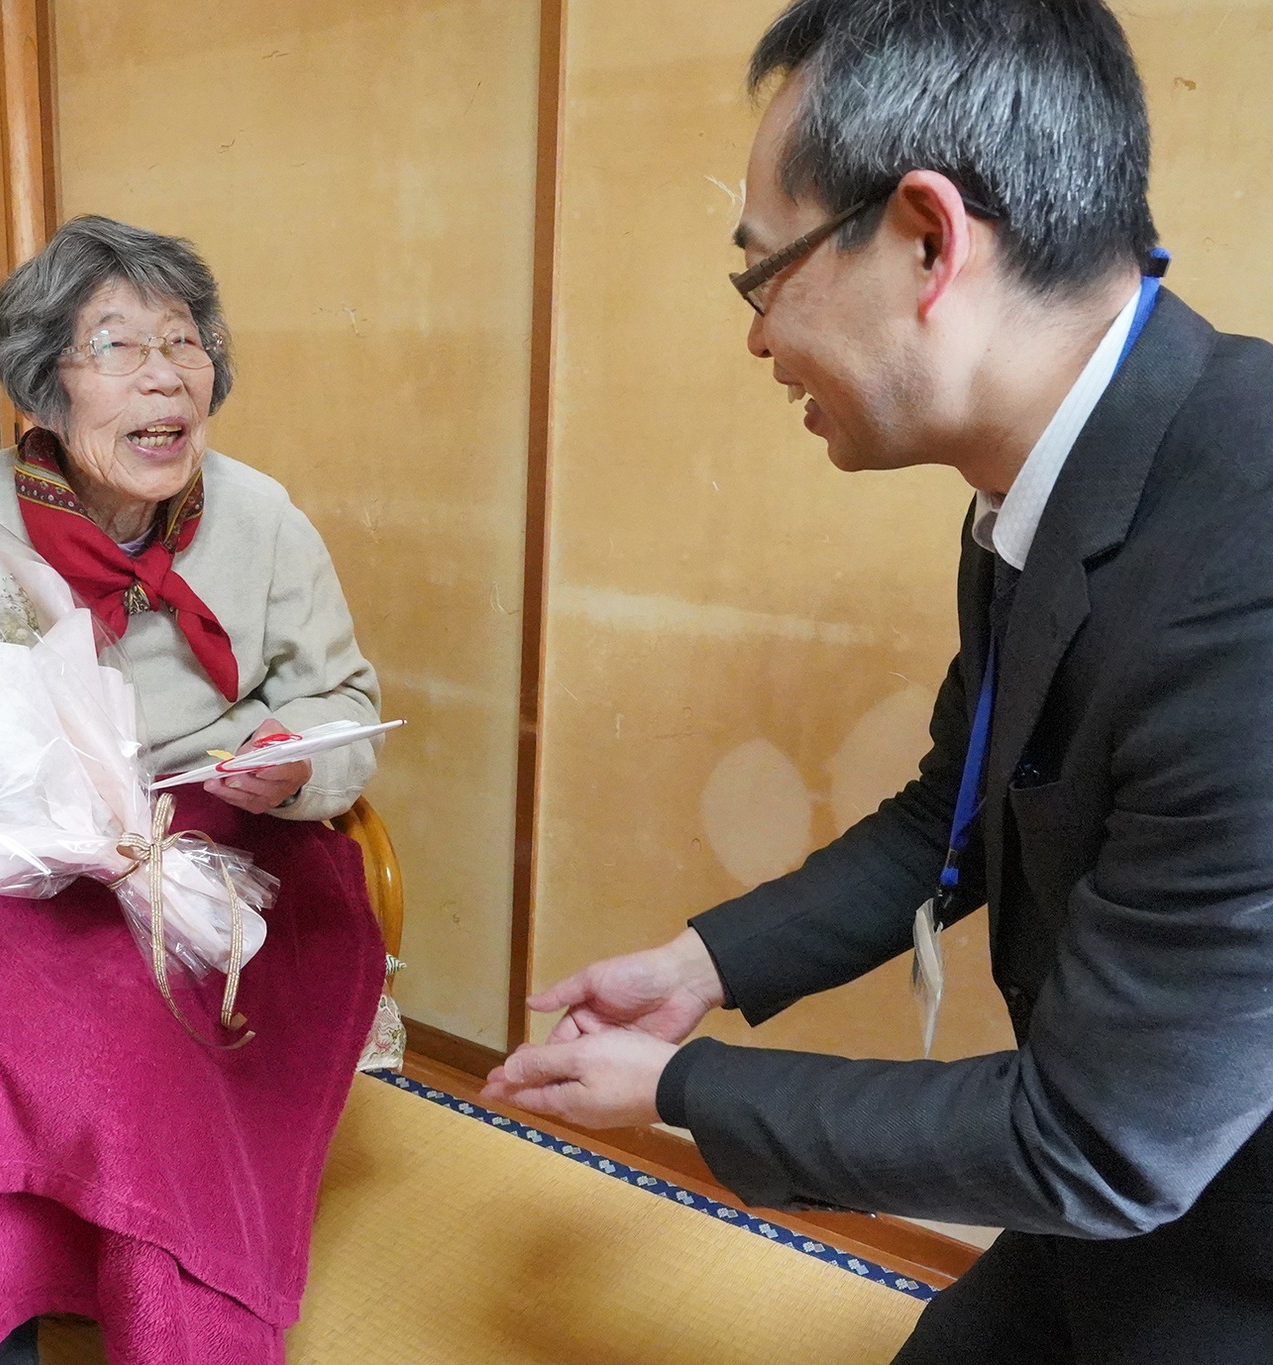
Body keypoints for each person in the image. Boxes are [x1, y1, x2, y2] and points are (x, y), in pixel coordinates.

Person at [482, 2, 1273, 1360]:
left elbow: (1100, 1143)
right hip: (1131, 1192)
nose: (756, 338)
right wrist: (703, 964)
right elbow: (951, 815)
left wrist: (678, 1085)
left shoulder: (1242, 570)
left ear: (926, 238)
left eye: (763, 273)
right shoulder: (1064, 476)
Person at [0, 216, 388, 1364]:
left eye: (185, 341)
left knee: (141, 1024)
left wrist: (296, 760)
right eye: (116, 344)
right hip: (6, 845)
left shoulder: (262, 517)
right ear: (42, 384)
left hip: (213, 828)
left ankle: (165, 1318)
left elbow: (340, 698)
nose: (166, 372)